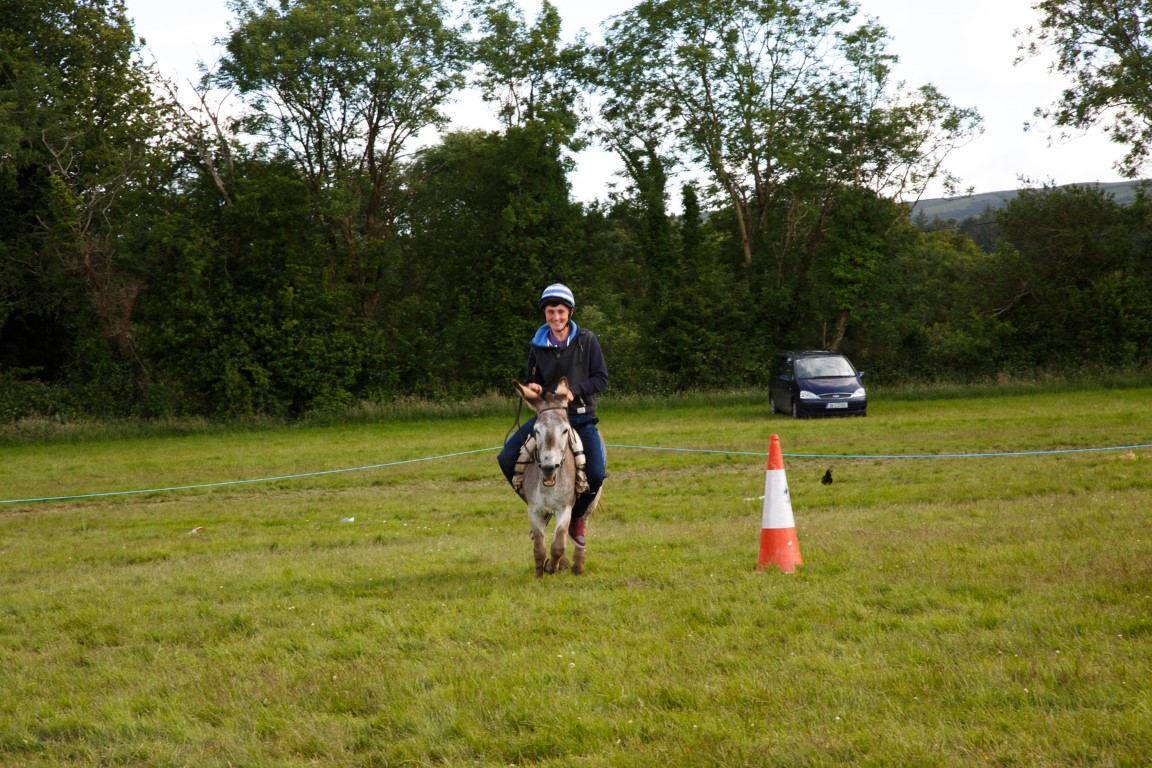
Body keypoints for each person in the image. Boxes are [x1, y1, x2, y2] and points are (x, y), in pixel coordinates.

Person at [498, 283, 608, 547]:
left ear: (570, 313)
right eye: (550, 312)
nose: (556, 317)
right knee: (506, 458)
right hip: (547, 419)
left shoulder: (587, 341)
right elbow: (533, 379)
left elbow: (601, 378)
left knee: (595, 473)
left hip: (580, 417)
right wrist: (534, 387)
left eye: (560, 311)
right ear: (544, 314)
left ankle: (576, 517)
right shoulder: (537, 345)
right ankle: (539, 506)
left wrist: (574, 390)